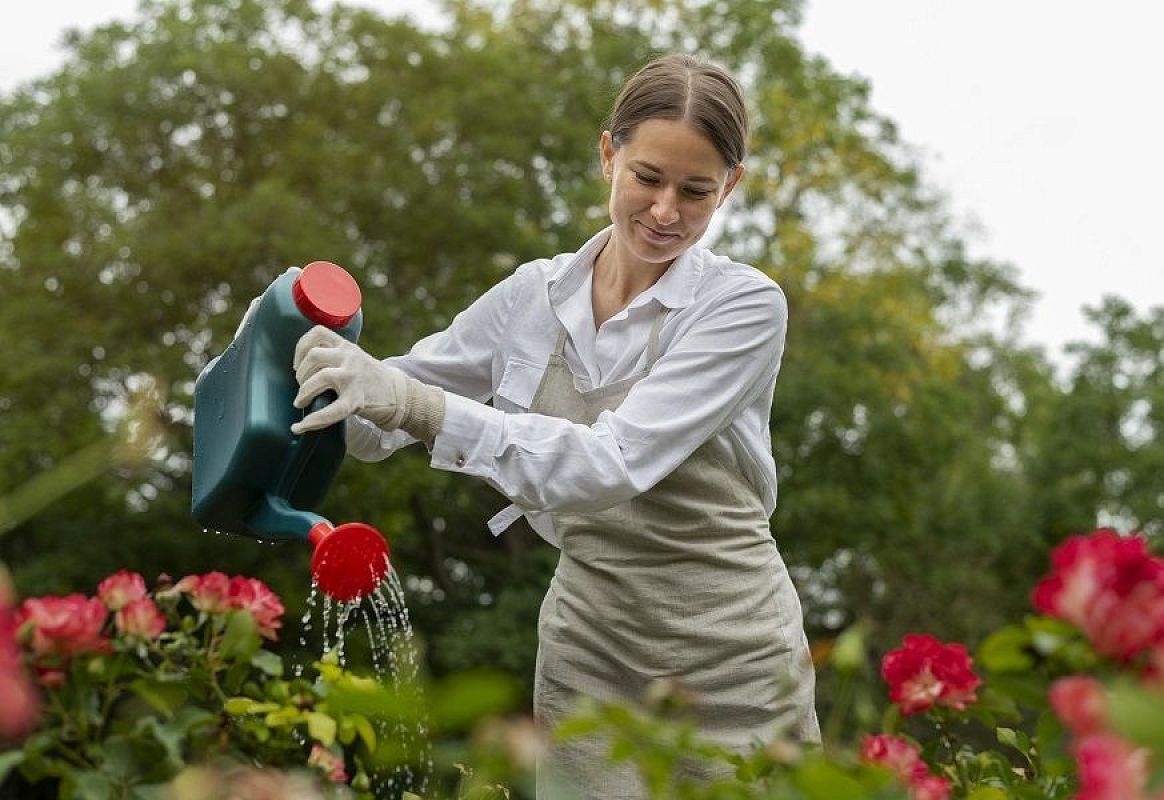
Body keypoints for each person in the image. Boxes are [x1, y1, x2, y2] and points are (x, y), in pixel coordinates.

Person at [288, 53, 821, 798]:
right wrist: (305, 373)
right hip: (591, 644)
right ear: (609, 155)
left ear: (730, 185)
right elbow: (378, 419)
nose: (666, 210)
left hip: (730, 655)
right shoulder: (530, 297)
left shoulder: (742, 307)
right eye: (647, 177)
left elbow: (610, 465)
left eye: (696, 191)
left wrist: (409, 402)